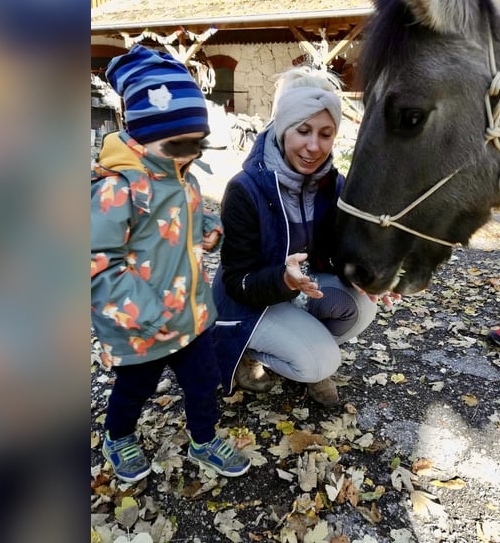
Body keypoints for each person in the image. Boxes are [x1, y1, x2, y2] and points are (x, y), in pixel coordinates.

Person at [91, 45, 250, 482]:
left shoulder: (187, 179)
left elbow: (189, 221)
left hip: (191, 316)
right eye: (178, 143)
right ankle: (117, 435)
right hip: (141, 325)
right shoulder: (117, 190)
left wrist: (207, 228)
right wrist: (143, 310)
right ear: (141, 135)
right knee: (133, 390)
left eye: (196, 142)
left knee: (204, 382)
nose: (190, 152)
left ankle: (204, 438)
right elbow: (96, 264)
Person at [211, 66, 393, 407]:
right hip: (250, 300)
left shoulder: (332, 184)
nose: (314, 146)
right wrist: (284, 279)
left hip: (298, 289)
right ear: (282, 129)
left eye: (326, 133)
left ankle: (305, 347)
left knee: (363, 307)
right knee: (320, 361)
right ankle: (251, 352)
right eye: (303, 130)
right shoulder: (244, 190)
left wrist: (372, 275)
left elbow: (341, 250)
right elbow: (238, 281)